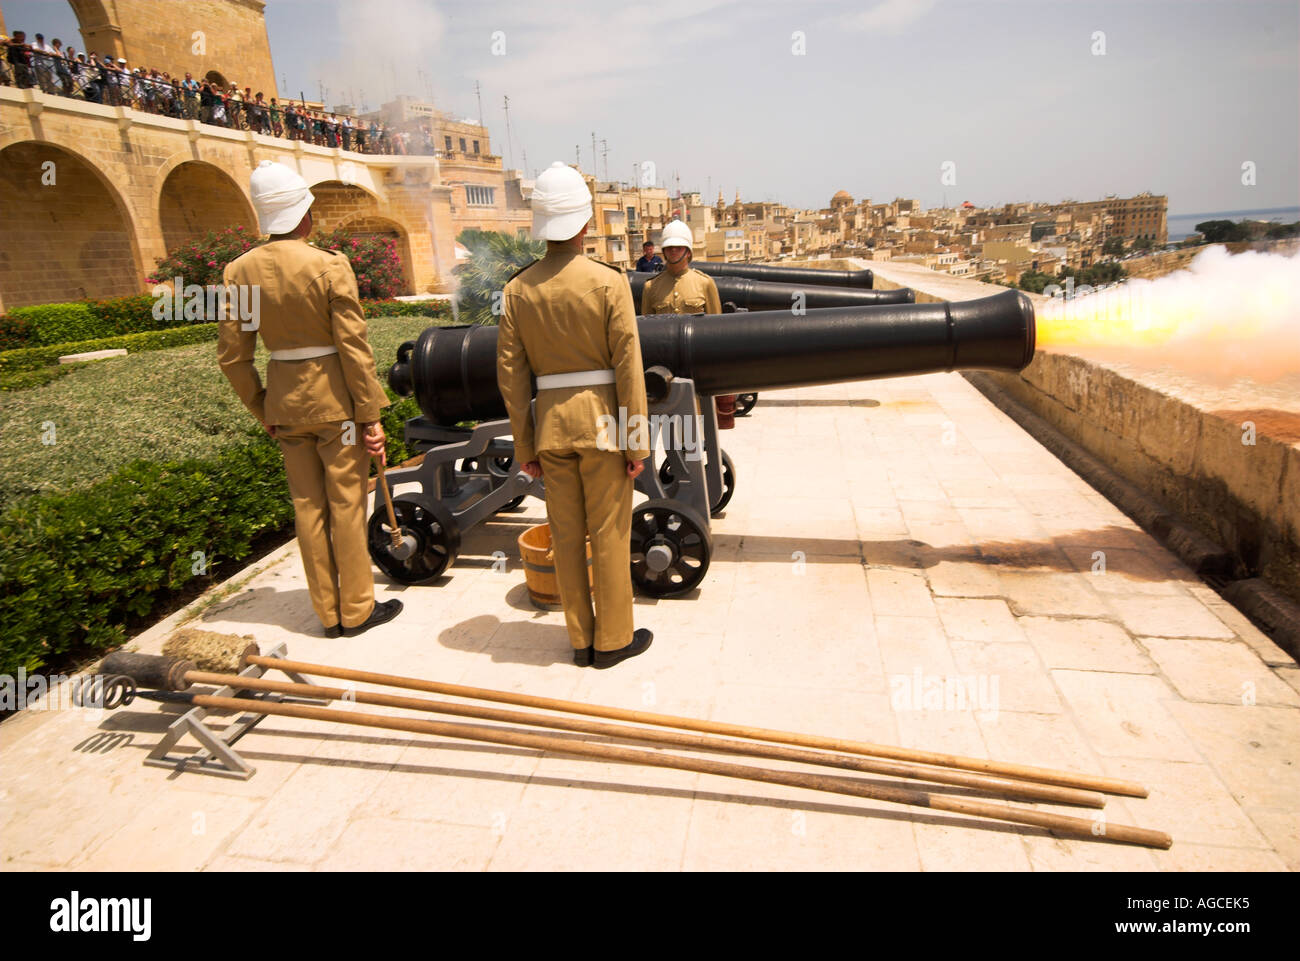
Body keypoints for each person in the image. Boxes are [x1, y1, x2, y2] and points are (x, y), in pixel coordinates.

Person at [218, 160, 402, 638]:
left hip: (284, 404)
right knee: (345, 505)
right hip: (337, 404)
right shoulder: (328, 264)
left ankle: (328, 614)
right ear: (303, 214)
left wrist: (263, 410)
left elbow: (233, 359)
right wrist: (370, 417)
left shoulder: (238, 271)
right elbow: (354, 350)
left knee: (307, 507)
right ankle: (357, 609)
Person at [497, 161, 654, 669]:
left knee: (565, 536)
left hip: (552, 431)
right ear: (584, 224)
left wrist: (525, 447)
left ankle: (580, 640)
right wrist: (636, 443)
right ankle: (612, 642)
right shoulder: (608, 282)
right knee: (609, 535)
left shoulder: (518, 290)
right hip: (605, 427)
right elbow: (629, 366)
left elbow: (512, 378)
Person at [640, 220, 736, 429]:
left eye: (679, 247)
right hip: (664, 372)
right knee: (668, 432)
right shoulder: (651, 287)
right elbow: (645, 335)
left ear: (688, 250)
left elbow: (717, 332)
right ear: (663, 250)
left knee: (696, 431)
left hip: (696, 370)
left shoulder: (704, 283)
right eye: (669, 247)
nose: (674, 251)